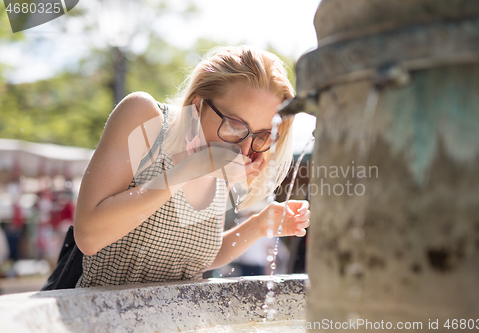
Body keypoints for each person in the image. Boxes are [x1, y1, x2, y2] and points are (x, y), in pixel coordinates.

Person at [73, 45, 311, 288]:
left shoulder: (221, 161)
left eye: (261, 136)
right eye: (235, 125)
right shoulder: (146, 118)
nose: (244, 150)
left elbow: (193, 259)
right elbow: (89, 237)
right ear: (198, 106)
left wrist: (258, 226)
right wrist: (193, 167)